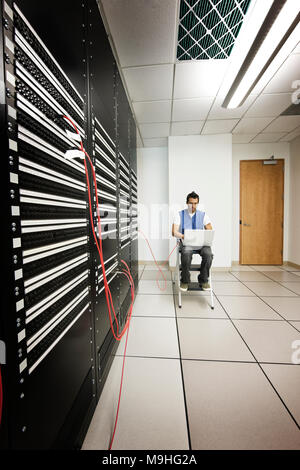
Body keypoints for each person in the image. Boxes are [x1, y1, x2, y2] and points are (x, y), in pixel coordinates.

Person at [172, 191, 213, 292]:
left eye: (195, 203)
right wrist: (183, 236)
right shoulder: (180, 215)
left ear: (197, 203)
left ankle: (203, 280)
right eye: (191, 203)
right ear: (187, 203)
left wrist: (207, 233)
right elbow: (174, 232)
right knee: (186, 253)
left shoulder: (203, 215)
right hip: (187, 243)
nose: (193, 205)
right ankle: (185, 280)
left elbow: (210, 228)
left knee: (208, 254)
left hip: (201, 243)